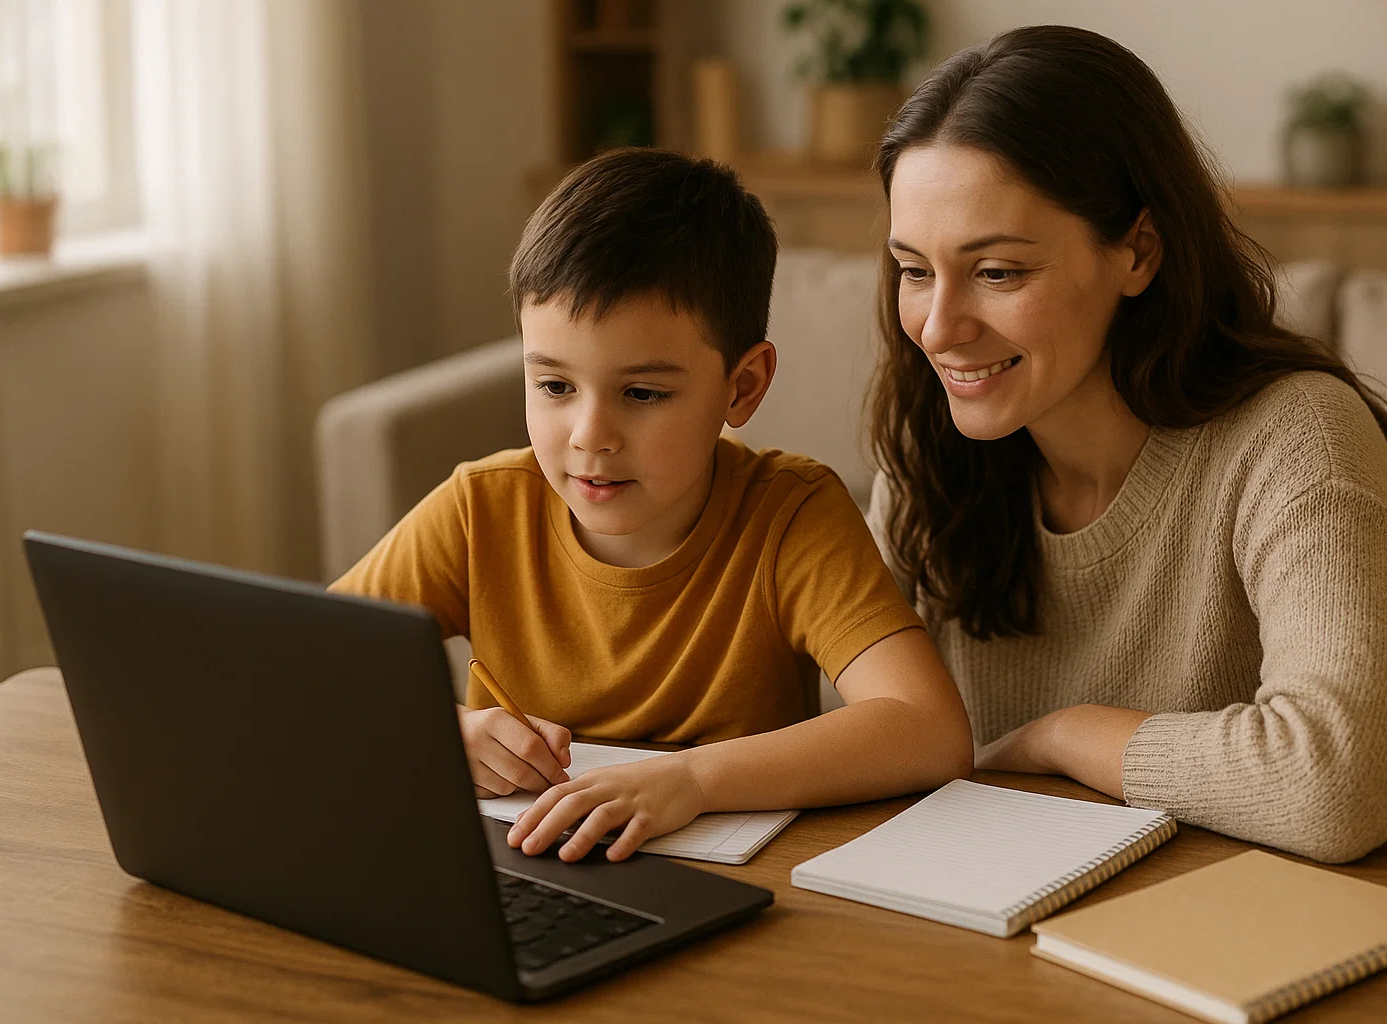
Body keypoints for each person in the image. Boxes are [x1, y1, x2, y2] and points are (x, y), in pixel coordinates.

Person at [866, 25, 1387, 864]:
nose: (939, 329)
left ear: (1137, 251)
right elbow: (850, 732)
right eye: (914, 270)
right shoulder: (927, 454)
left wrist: (1061, 738)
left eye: (999, 271)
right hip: (1084, 911)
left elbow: (1336, 782)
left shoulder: (1296, 435)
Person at [331, 148, 972, 863]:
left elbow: (928, 730)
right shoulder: (480, 510)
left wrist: (690, 780)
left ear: (743, 386)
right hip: (516, 871)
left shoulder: (792, 516)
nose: (589, 437)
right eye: (553, 387)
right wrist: (439, 732)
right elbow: (296, 669)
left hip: (737, 894)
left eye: (641, 394)